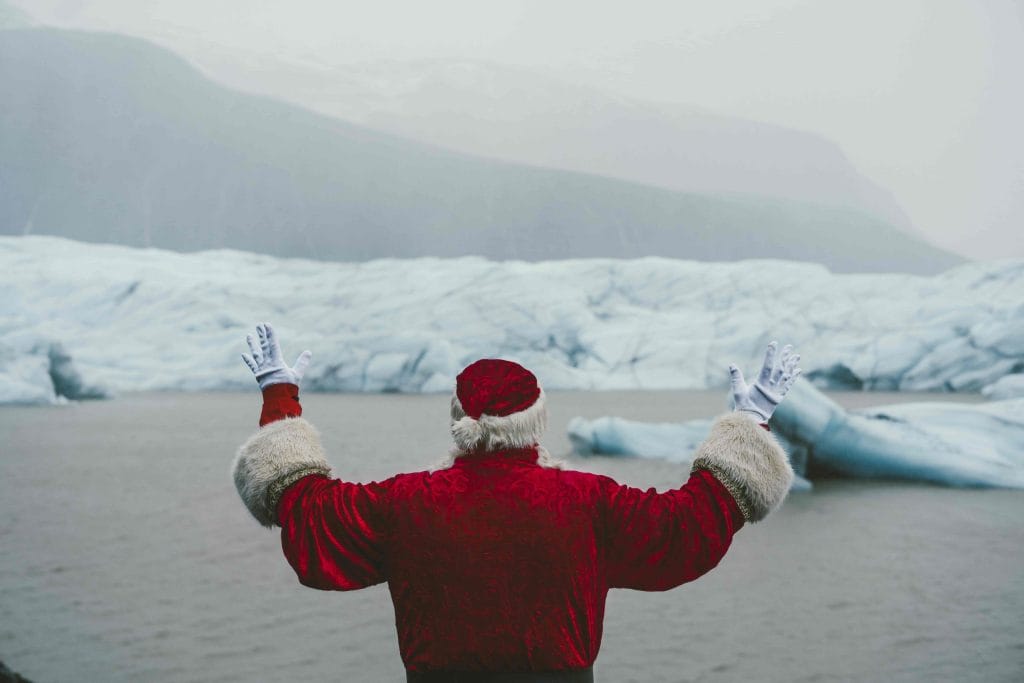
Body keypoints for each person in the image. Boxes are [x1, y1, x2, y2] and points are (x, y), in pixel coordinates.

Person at [234, 323, 800, 682]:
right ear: (537, 421)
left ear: (458, 418)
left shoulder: (406, 503)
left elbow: (305, 509)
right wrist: (751, 419)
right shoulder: (586, 503)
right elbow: (690, 525)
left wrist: (279, 395)